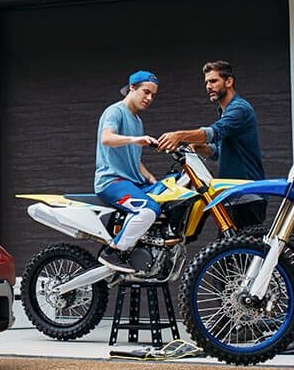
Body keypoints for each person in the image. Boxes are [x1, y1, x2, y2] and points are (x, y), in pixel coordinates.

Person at [155, 60, 267, 228]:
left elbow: (213, 132)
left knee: (237, 249)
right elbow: (220, 152)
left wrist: (179, 136)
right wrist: (202, 149)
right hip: (233, 193)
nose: (208, 86)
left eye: (213, 81)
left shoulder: (239, 109)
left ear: (229, 82)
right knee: (229, 250)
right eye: (206, 82)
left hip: (246, 194)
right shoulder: (225, 111)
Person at [94, 71, 159, 273]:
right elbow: (107, 138)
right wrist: (134, 140)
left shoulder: (137, 122)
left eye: (153, 95)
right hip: (112, 182)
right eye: (146, 92)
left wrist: (150, 177)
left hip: (133, 182)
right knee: (148, 210)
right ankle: (113, 251)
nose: (149, 98)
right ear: (132, 87)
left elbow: (133, 158)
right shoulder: (115, 112)